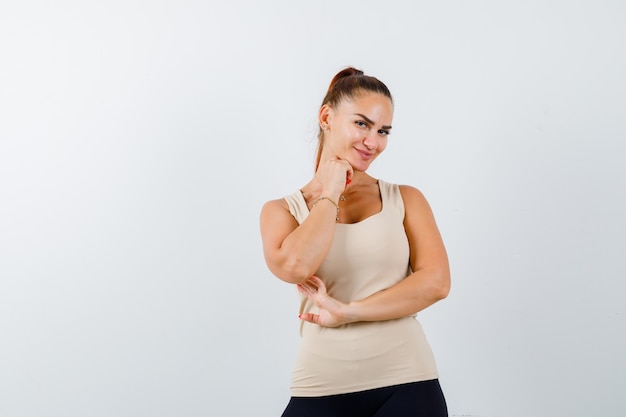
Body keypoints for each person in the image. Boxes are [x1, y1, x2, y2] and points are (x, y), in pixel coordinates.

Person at [260, 67, 451, 417]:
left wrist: (349, 312)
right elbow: (295, 266)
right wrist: (330, 191)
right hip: (320, 386)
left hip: (409, 382)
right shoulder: (282, 211)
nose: (373, 142)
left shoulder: (405, 199)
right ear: (326, 117)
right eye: (361, 124)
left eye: (383, 131)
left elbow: (436, 284)